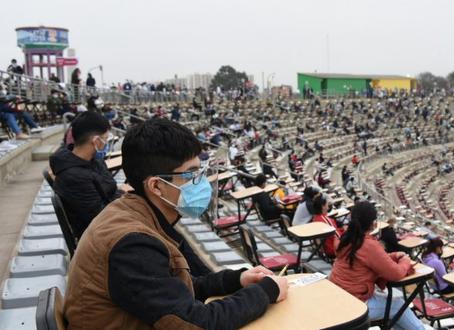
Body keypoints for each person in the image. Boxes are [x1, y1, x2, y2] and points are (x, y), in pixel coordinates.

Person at [64, 118, 288, 329]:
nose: (200, 182)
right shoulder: (132, 244)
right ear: (156, 186)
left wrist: (237, 279)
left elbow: (177, 289)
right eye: (191, 174)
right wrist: (265, 292)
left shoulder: (133, 214)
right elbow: (195, 323)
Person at [330, 201, 424, 328]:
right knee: (398, 306)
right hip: (355, 303)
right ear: (373, 223)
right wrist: (405, 261)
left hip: (339, 296)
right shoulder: (368, 245)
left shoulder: (347, 238)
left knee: (393, 309)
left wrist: (394, 256)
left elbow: (369, 260)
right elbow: (396, 274)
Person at [49, 112, 121, 239]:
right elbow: (101, 218)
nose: (106, 143)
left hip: (111, 220)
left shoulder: (92, 160)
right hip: (99, 237)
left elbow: (112, 190)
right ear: (96, 141)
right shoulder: (73, 177)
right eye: (105, 139)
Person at [311, 193, 344, 258]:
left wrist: (342, 229)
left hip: (328, 249)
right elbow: (337, 236)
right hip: (333, 249)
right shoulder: (325, 220)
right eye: (326, 203)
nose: (328, 204)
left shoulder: (316, 218)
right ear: (323, 206)